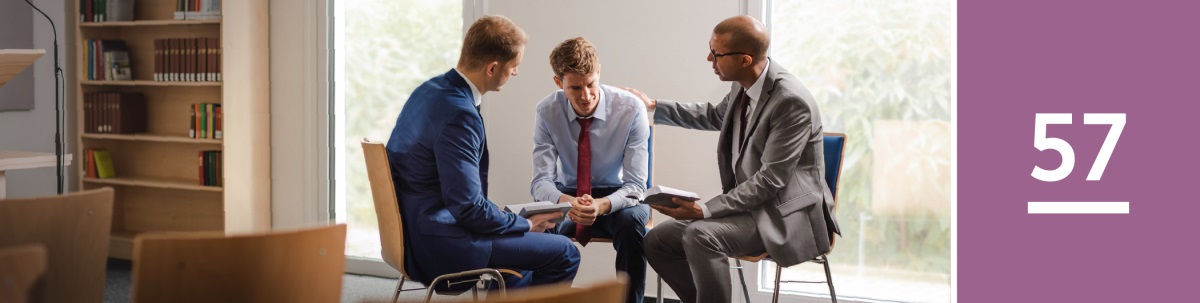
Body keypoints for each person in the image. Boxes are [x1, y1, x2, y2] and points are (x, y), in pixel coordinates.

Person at [622, 15, 840, 303]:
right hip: (749, 209)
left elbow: (770, 180)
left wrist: (704, 211)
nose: (709, 58)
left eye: (716, 54)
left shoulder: (790, 101)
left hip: (784, 215)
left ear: (745, 60)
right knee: (656, 241)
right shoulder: (744, 84)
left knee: (701, 234)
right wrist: (653, 106)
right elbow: (715, 115)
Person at [386, 15, 579, 292]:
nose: (515, 73)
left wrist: (513, 223)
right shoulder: (460, 116)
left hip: (413, 231)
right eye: (514, 66)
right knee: (564, 252)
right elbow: (468, 208)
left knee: (523, 256)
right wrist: (522, 223)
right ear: (492, 68)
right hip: (441, 242)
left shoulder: (429, 91)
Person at [530, 37, 651, 303]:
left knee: (633, 225)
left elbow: (636, 186)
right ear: (558, 82)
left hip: (618, 196)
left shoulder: (631, 109)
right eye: (575, 88)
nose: (585, 96)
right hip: (568, 194)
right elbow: (541, 182)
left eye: (591, 84)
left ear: (599, 73)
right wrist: (567, 202)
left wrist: (602, 205)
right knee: (538, 224)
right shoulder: (547, 111)